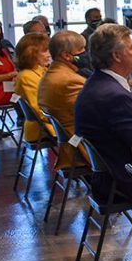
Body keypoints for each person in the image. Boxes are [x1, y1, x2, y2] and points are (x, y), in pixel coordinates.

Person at [74, 23, 132, 222]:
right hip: (123, 181)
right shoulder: (114, 95)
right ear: (116, 55)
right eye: (131, 47)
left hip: (108, 176)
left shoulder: (98, 83)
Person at [38, 30, 91, 169]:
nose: (85, 53)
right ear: (66, 55)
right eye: (81, 49)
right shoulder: (69, 80)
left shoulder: (53, 73)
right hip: (81, 148)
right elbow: (93, 114)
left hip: (69, 143)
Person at [13, 33, 54, 142]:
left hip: (50, 123)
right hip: (44, 128)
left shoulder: (41, 71)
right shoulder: (26, 76)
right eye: (45, 51)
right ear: (31, 54)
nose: (49, 55)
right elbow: (39, 110)